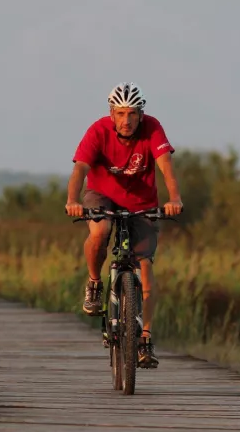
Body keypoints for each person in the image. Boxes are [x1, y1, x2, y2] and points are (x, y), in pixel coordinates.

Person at [64, 82, 184, 369]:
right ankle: (94, 283)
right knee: (101, 230)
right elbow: (80, 169)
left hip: (141, 200)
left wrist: (175, 198)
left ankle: (145, 338)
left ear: (141, 114)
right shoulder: (98, 131)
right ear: (111, 113)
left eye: (132, 113)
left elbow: (166, 166)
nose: (126, 120)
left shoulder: (152, 128)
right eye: (120, 113)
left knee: (144, 264)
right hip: (101, 194)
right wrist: (72, 200)